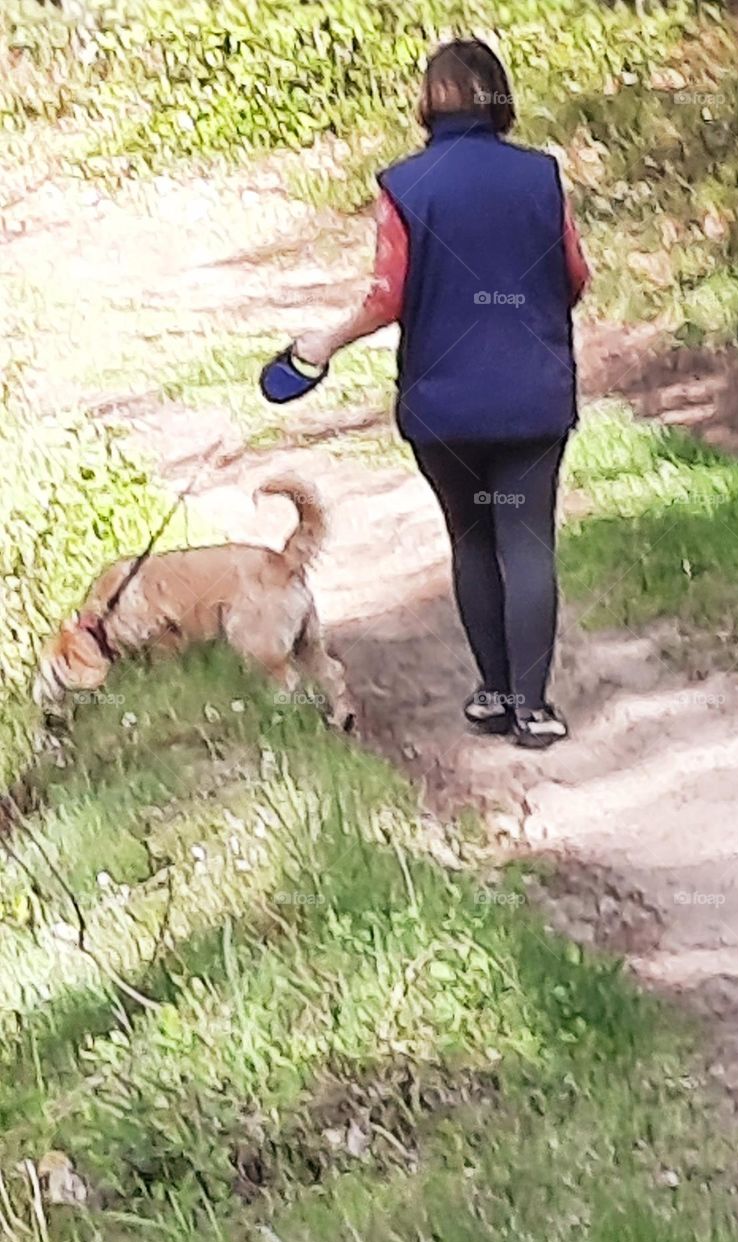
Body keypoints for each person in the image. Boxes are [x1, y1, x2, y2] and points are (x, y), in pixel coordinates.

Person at [294, 38, 589, 749]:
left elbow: (387, 294)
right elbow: (575, 277)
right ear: (500, 95)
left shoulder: (404, 185)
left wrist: (322, 344)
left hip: (443, 405)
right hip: (533, 397)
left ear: (428, 101)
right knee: (527, 542)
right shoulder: (541, 177)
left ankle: (492, 692)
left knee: (471, 538)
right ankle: (535, 707)